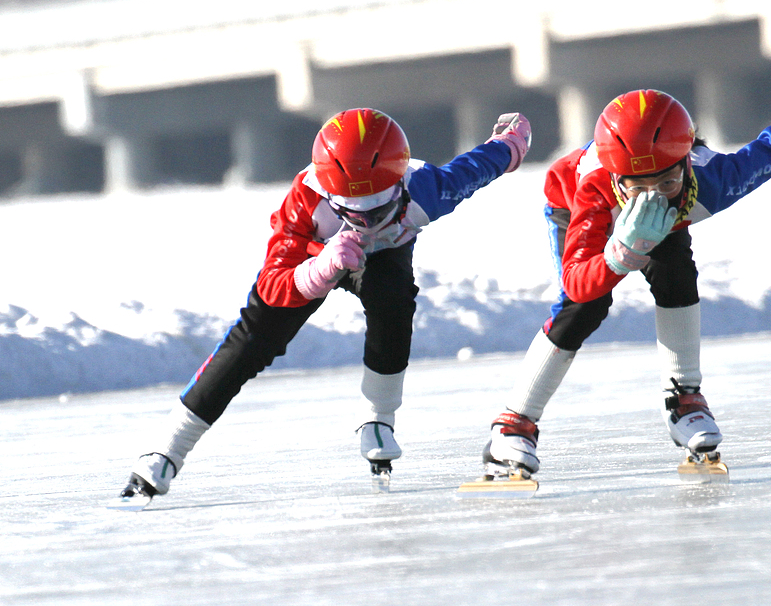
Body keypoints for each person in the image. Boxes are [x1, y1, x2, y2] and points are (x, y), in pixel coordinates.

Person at [482, 77, 771, 478]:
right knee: (585, 306)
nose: (651, 198)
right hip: (573, 208)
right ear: (615, 180)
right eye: (637, 187)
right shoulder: (594, 191)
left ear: (686, 164)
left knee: (677, 275)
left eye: (666, 181)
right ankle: (513, 424)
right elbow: (577, 282)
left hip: (669, 216)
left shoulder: (715, 181)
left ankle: (684, 398)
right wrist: (619, 254)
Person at [116, 107, 532, 505]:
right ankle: (166, 450)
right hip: (311, 255)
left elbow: (482, 164)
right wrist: (321, 267)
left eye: (380, 209)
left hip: (385, 259)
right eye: (353, 214)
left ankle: (379, 419)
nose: (367, 224)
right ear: (330, 196)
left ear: (401, 184)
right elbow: (273, 285)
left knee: (394, 303)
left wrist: (510, 145)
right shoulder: (302, 206)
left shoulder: (428, 188)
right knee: (252, 342)